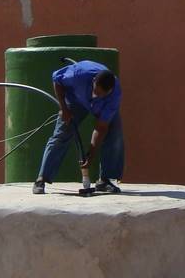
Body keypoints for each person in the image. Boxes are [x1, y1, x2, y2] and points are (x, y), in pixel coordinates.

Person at [33, 60, 124, 195]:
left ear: (109, 91)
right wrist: (64, 108)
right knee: (62, 133)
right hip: (76, 99)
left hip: (101, 107)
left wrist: (91, 154)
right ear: (93, 81)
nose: (96, 96)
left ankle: (105, 180)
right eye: (95, 91)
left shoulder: (114, 95)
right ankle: (42, 179)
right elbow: (57, 79)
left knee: (114, 132)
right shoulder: (79, 73)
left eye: (101, 94)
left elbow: (101, 127)